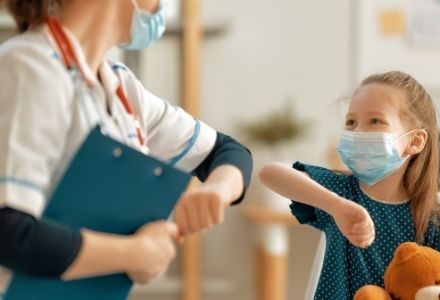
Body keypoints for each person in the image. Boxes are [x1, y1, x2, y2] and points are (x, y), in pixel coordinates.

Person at [0, 0, 252, 293]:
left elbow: (228, 151)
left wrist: (217, 190)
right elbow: (9, 233)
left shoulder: (120, 87)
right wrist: (139, 252)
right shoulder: (29, 66)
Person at [259, 71, 440, 300]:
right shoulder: (341, 193)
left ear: (415, 141)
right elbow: (269, 173)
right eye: (351, 122)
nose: (358, 132)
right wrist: (336, 206)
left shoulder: (436, 221)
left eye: (375, 121)